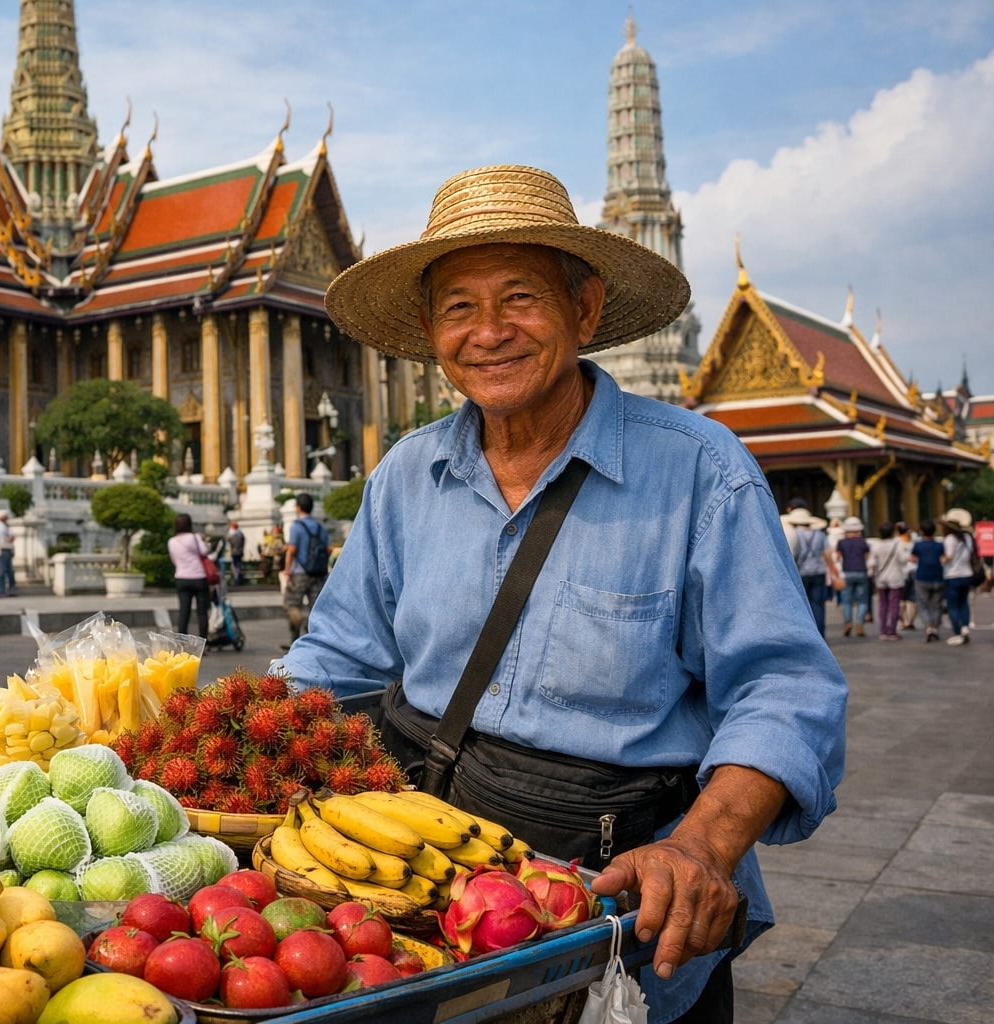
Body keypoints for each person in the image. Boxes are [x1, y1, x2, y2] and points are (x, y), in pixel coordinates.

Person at [276, 166, 847, 1022]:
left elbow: (785, 690)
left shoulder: (700, 472)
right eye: (459, 308)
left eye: (521, 299)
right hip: (422, 889)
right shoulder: (406, 476)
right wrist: (247, 742)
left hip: (621, 898)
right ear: (431, 330)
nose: (490, 332)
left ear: (584, 311)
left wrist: (703, 845)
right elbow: (338, 657)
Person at [280, 493, 330, 649]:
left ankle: (295, 640)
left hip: (300, 572)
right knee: (315, 607)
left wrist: (287, 570)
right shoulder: (321, 527)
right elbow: (327, 549)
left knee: (292, 604)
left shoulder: (296, 526)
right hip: (318, 573)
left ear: (298, 507)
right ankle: (313, 640)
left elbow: (292, 550)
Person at [783, 501, 831, 635]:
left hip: (802, 573)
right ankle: (821, 633)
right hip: (819, 572)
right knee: (818, 605)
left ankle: (808, 634)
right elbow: (827, 554)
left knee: (802, 605)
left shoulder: (794, 533)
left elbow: (793, 554)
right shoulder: (820, 535)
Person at [167, 513, 211, 641]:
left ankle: (182, 642)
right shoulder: (194, 537)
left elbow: (174, 560)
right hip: (198, 577)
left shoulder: (172, 541)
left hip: (181, 577)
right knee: (202, 612)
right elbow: (204, 551)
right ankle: (203, 642)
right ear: (189, 525)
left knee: (184, 611)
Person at [868, 521, 910, 640]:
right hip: (895, 577)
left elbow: (872, 562)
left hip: (881, 578)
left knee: (883, 605)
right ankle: (892, 630)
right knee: (894, 605)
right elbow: (903, 559)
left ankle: (883, 630)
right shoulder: (897, 544)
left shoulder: (876, 545)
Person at [940, 507, 976, 646]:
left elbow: (948, 556)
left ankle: (957, 633)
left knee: (953, 606)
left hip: (952, 575)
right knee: (963, 603)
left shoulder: (949, 539)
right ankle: (965, 627)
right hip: (967, 573)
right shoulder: (967, 537)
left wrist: (941, 560)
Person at [910, 519, 946, 643]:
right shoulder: (940, 545)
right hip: (938, 576)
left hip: (922, 576)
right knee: (936, 604)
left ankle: (929, 626)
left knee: (922, 604)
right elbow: (943, 559)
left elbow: (913, 559)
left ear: (921, 531)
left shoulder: (918, 545)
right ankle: (935, 627)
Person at [835, 516, 871, 637]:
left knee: (846, 601)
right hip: (861, 571)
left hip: (847, 572)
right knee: (862, 600)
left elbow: (838, 557)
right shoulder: (863, 542)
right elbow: (867, 556)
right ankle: (860, 623)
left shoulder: (841, 542)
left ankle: (848, 622)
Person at [896, 521, 920, 630]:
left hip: (901, 572)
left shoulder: (896, 542)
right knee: (913, 599)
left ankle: (902, 621)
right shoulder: (915, 540)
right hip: (914, 571)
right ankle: (910, 621)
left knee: (901, 599)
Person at [0, 509, 17, 598]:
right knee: (1, 572)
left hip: (8, 550)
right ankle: (1, 591)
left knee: (10, 572)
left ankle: (12, 589)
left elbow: (12, 536)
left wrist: (9, 540)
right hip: (1, 550)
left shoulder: (5, 526)